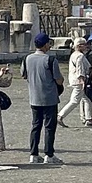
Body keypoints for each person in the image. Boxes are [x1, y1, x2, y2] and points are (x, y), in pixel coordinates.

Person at [21, 32, 63, 164]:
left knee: (36, 126)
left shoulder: (27, 59)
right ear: (45, 45)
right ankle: (49, 154)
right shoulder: (50, 60)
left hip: (34, 97)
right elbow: (58, 80)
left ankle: (33, 154)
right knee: (49, 127)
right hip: (50, 98)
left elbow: (23, 75)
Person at [58, 38, 92, 127]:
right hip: (79, 81)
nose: (86, 46)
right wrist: (82, 80)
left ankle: (89, 118)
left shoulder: (74, 54)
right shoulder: (80, 56)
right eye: (84, 44)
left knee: (87, 99)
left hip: (75, 80)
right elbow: (80, 68)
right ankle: (60, 115)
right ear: (79, 46)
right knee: (75, 101)